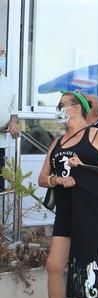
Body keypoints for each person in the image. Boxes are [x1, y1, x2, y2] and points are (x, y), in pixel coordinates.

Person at [26, 91, 98, 298]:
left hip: (90, 209)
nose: (58, 109)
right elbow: (42, 178)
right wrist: (58, 179)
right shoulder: (57, 142)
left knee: (84, 266)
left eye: (62, 105)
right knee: (54, 266)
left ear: (76, 107)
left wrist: (85, 168)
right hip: (65, 210)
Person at [0, 45, 20, 190]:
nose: (2, 57)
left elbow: (13, 111)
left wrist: (13, 122)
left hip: (0, 146)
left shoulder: (7, 83)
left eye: (3, 53)